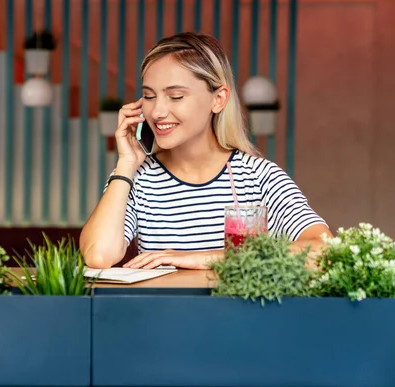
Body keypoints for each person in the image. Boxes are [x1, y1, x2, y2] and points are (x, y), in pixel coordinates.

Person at [79, 31, 332, 270]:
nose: (157, 112)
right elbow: (98, 255)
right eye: (149, 96)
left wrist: (204, 258)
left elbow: (325, 251)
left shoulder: (258, 177)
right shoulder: (138, 178)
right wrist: (125, 164)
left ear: (218, 99)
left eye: (176, 96)